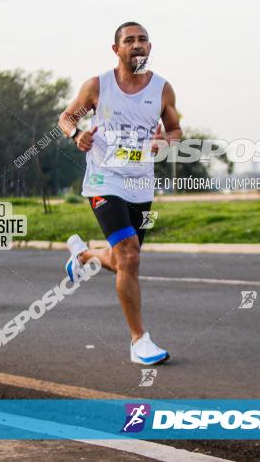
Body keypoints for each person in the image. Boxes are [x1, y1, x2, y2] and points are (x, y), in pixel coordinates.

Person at [59, 21, 181, 365]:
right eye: (130, 40)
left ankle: (82, 258)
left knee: (125, 258)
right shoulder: (98, 87)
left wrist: (165, 141)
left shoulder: (161, 89)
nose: (137, 45)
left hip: (141, 183)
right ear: (117, 49)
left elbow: (175, 130)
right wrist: (76, 135)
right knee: (128, 256)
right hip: (104, 181)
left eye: (143, 40)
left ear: (150, 47)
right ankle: (139, 340)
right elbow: (67, 117)